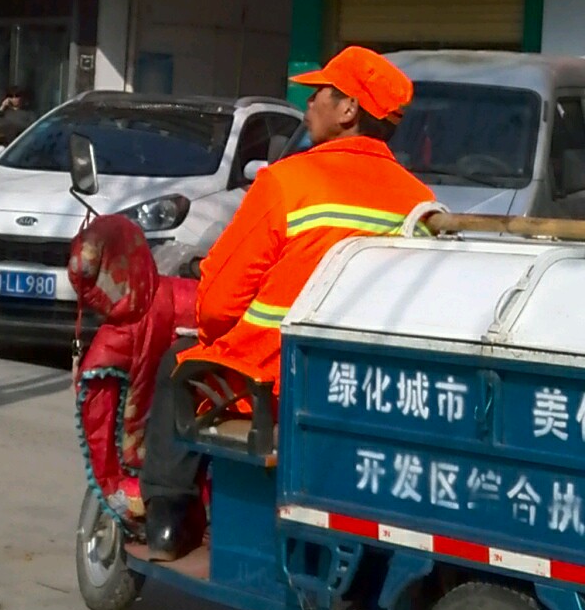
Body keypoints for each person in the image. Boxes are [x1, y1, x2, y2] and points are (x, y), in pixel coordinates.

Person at [140, 45, 435, 561]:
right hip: (365, 387)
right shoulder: (418, 200)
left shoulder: (287, 183)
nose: (309, 106)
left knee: (175, 365)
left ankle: (169, 523)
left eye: (320, 94)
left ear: (349, 111)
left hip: (268, 383)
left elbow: (215, 307)